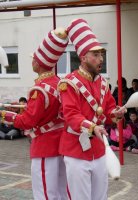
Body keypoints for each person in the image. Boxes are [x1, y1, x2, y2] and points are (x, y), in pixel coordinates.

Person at [58, 18, 126, 200]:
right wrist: (93, 127)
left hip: (98, 149)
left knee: (100, 197)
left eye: (101, 55)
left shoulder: (103, 83)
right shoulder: (69, 83)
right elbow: (71, 115)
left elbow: (109, 110)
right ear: (83, 57)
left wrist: (116, 114)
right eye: (95, 55)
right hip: (76, 151)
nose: (100, 59)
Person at [0, 28, 69, 199]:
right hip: (61, 143)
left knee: (44, 193)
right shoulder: (59, 83)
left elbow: (28, 121)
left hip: (45, 146)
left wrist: (4, 115)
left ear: (38, 63)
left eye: (33, 59)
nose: (32, 62)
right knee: (62, 191)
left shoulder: (39, 89)